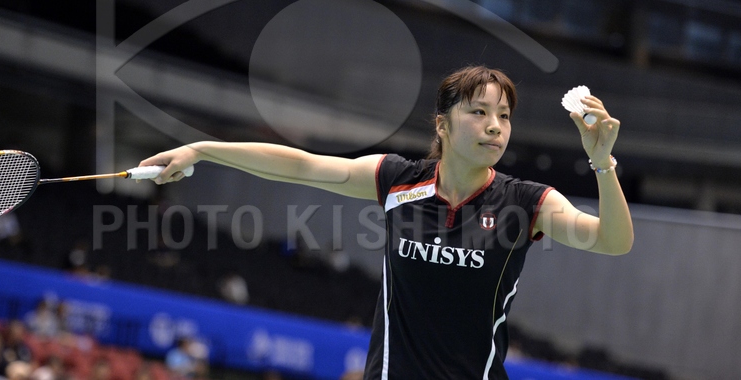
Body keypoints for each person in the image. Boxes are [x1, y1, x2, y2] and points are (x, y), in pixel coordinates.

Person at [138, 65, 634, 380]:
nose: (494, 126)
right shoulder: (398, 181)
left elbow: (611, 241)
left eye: (504, 116)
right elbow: (302, 165)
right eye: (479, 111)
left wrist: (602, 163)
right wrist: (201, 150)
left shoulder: (525, 202)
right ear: (442, 123)